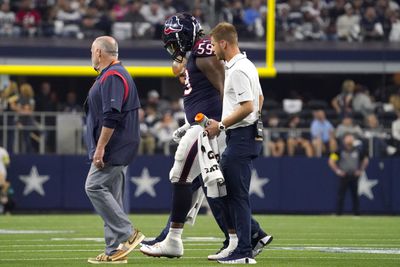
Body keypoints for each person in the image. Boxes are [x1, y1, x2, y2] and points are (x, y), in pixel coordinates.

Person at [140, 13, 272, 260]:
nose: (173, 46)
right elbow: (178, 68)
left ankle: (174, 239)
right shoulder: (198, 51)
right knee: (211, 190)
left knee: (188, 178)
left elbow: (226, 91)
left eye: (176, 40)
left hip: (210, 129)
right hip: (205, 126)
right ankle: (246, 236)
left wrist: (219, 125)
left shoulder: (205, 50)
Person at [205, 22, 265, 264]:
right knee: (233, 194)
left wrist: (220, 125)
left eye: (212, 44)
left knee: (235, 196)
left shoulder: (238, 69)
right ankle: (249, 240)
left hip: (240, 137)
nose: (211, 49)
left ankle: (245, 250)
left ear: (223, 43)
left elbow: (249, 105)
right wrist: (254, 123)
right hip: (245, 135)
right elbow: (259, 99)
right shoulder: (246, 64)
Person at [84, 36, 144, 264]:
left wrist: (101, 147)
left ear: (99, 52)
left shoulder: (113, 75)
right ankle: (114, 251)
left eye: (92, 51)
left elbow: (112, 115)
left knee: (94, 186)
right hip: (118, 144)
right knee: (113, 196)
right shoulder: (112, 74)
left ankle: (129, 233)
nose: (91, 55)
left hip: (114, 145)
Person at [328, 133, 369, 215]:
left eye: (351, 138)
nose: (349, 139)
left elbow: (365, 160)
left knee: (355, 195)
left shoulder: (358, 150)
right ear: (344, 140)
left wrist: (361, 170)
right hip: (344, 176)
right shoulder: (339, 150)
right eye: (348, 138)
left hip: (354, 175)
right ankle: (338, 213)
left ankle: (356, 213)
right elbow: (331, 161)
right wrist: (338, 171)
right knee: (341, 195)